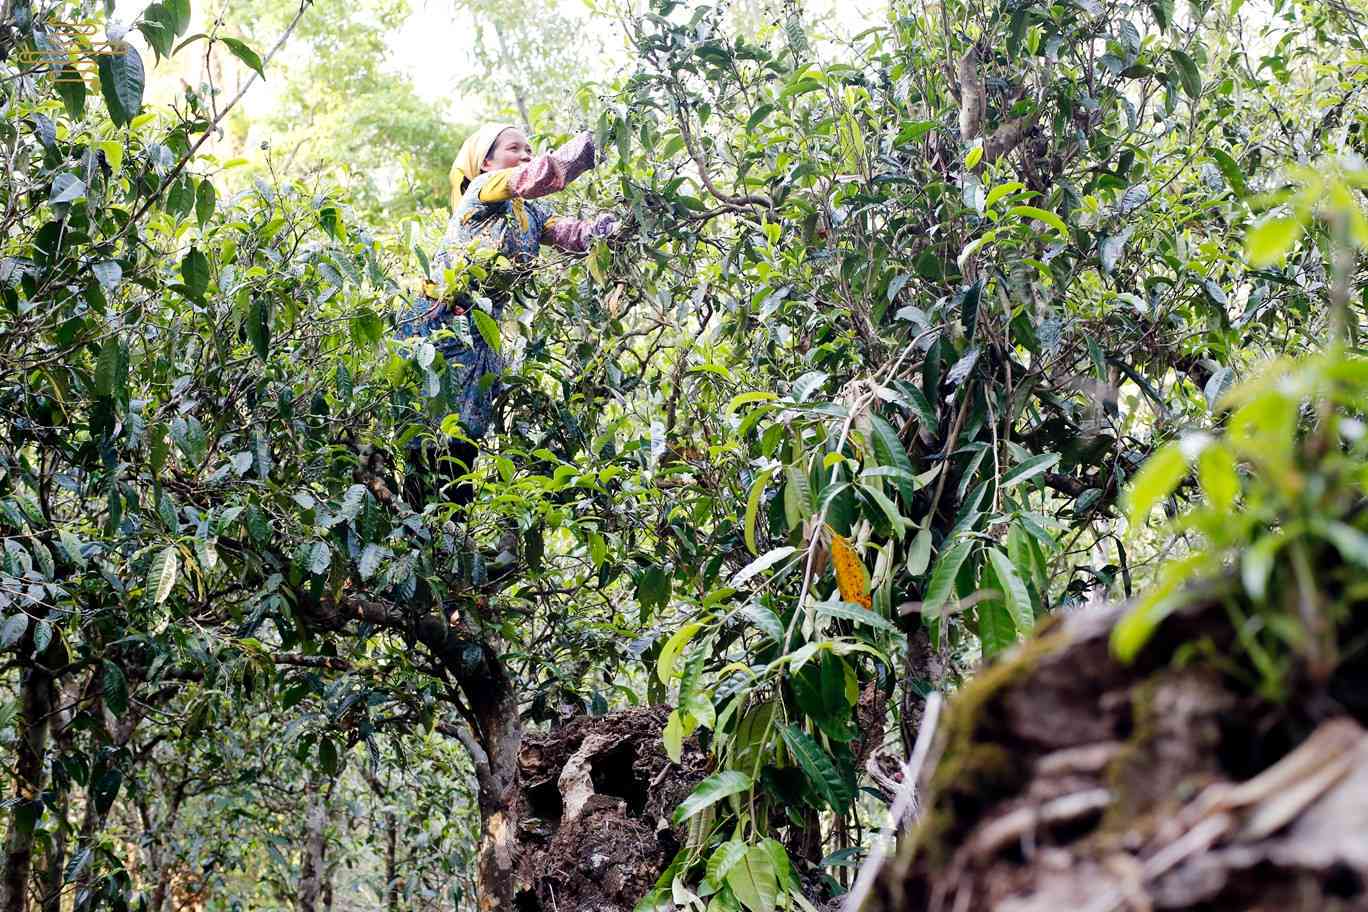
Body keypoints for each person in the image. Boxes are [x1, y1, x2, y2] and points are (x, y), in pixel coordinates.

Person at [398, 124, 617, 509]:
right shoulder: (483, 190)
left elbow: (574, 234)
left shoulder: (529, 214)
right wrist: (599, 135)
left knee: (463, 445)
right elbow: (541, 174)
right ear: (486, 162)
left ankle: (452, 546)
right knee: (427, 438)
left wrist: (621, 225)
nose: (526, 156)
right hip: (439, 324)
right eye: (515, 148)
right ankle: (415, 536)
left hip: (479, 336)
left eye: (530, 149)